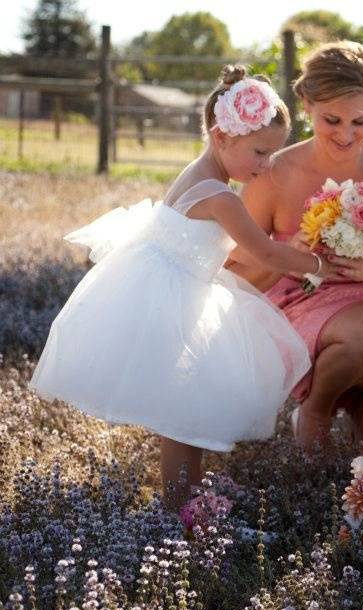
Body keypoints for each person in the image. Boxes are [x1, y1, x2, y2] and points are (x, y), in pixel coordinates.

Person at [30, 66, 320, 510]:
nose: (266, 166)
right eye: (261, 153)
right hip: (175, 302)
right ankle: (178, 505)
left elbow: (225, 251)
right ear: (222, 136)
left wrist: (293, 250)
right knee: (183, 411)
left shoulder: (205, 176)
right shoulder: (218, 195)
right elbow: (265, 254)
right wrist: (317, 262)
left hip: (174, 290)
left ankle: (187, 492)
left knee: (188, 407)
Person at [227, 41, 363, 452]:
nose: (346, 135)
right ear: (305, 103)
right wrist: (294, 255)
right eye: (332, 120)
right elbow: (234, 278)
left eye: (360, 121)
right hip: (299, 300)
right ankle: (316, 410)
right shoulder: (273, 174)